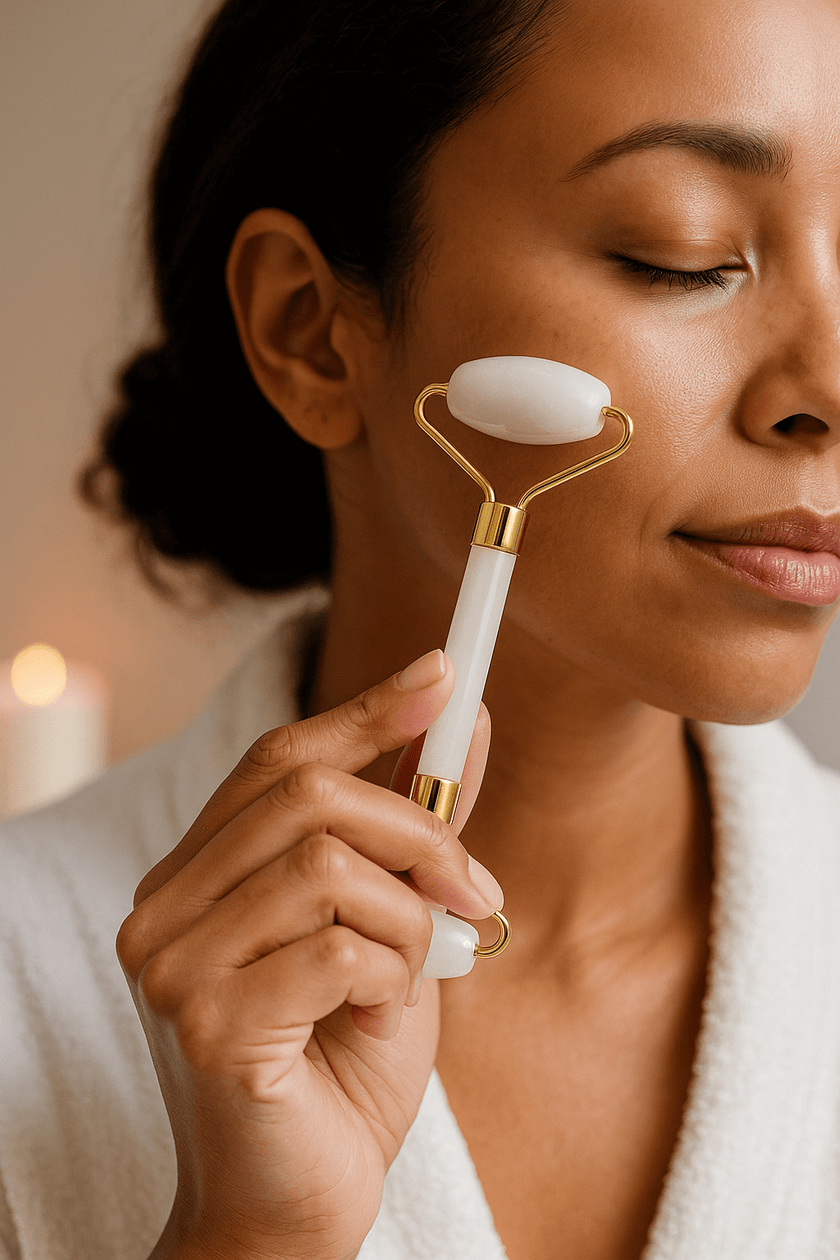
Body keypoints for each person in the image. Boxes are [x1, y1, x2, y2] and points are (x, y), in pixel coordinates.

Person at [3, 0, 840, 1256]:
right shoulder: (24, 980)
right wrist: (249, 1235)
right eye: (684, 252)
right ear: (311, 331)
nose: (827, 384)